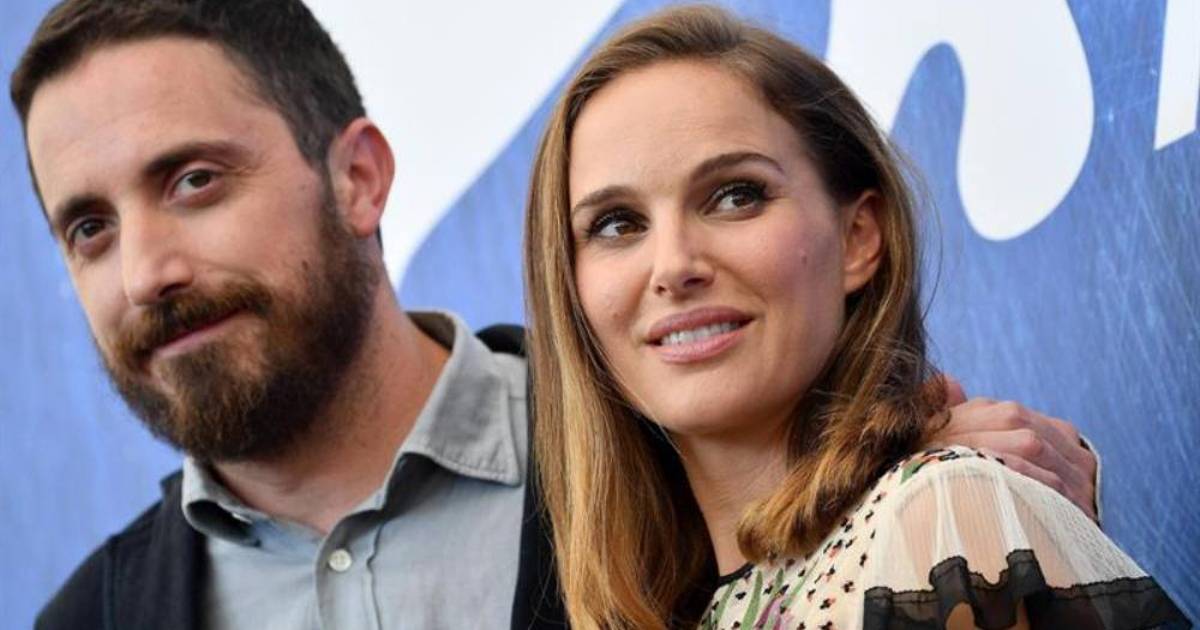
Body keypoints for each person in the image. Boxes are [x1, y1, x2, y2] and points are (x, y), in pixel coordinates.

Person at [10, 1, 1102, 628]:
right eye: (88, 227)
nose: (144, 270)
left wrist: (940, 512)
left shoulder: (667, 431)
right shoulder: (87, 619)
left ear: (359, 178)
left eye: (195, 180)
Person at [522, 5, 1187, 629]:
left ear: (859, 238)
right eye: (617, 224)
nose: (673, 265)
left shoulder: (944, 522)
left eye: (735, 196)